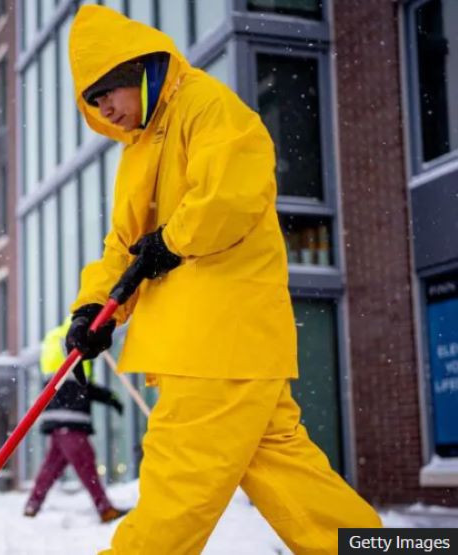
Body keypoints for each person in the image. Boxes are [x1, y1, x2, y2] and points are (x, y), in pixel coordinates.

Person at [63, 6, 382, 553]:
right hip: (225, 350)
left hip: (214, 343)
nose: (103, 109)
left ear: (135, 69)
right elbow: (124, 246)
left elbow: (232, 195)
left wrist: (172, 240)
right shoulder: (139, 152)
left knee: (174, 495)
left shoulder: (206, 107)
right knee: (297, 484)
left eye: (106, 92)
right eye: (92, 102)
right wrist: (94, 308)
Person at [24, 317, 128, 523]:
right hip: (70, 419)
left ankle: (32, 505)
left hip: (58, 418)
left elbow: (79, 387)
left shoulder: (56, 339)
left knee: (52, 466)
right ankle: (104, 507)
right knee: (86, 462)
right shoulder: (73, 339)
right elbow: (83, 388)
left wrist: (109, 398)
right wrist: (110, 397)